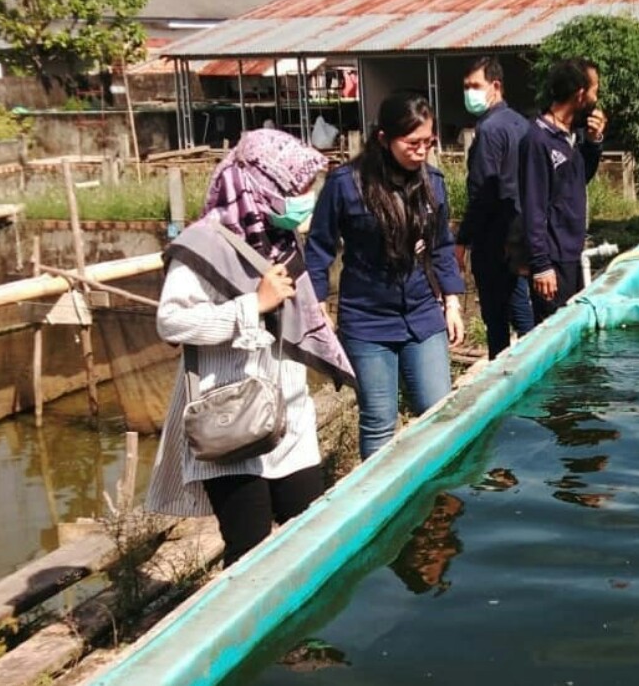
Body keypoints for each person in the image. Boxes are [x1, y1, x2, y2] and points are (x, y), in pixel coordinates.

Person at [146, 129, 356, 568]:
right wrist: (252, 306)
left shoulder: (279, 239)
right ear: (263, 187)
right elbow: (171, 321)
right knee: (250, 551)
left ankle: (307, 633)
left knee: (309, 533)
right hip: (232, 418)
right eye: (298, 190)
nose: (306, 199)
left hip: (288, 414)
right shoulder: (202, 245)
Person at [306, 93, 465, 459]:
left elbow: (441, 246)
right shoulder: (346, 184)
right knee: (379, 420)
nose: (421, 151)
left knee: (438, 411)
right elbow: (319, 248)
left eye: (428, 143)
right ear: (383, 138)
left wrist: (452, 302)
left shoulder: (433, 184)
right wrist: (318, 306)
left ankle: (437, 493)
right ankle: (379, 503)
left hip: (423, 313)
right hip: (367, 318)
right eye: (411, 143)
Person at [454, 56, 534, 360]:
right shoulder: (520, 123)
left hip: (492, 235)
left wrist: (463, 239)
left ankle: (500, 377)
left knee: (496, 319)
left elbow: (482, 192)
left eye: (475, 86)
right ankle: (535, 362)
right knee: (520, 306)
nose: (469, 93)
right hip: (519, 231)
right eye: (466, 87)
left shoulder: (489, 130)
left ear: (495, 86)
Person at [520, 57, 607, 324]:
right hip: (553, 260)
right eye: (595, 91)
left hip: (573, 253)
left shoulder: (571, 134)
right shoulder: (537, 139)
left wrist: (593, 143)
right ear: (580, 94)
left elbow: (578, 181)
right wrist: (541, 265)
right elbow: (533, 207)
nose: (596, 99)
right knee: (554, 335)